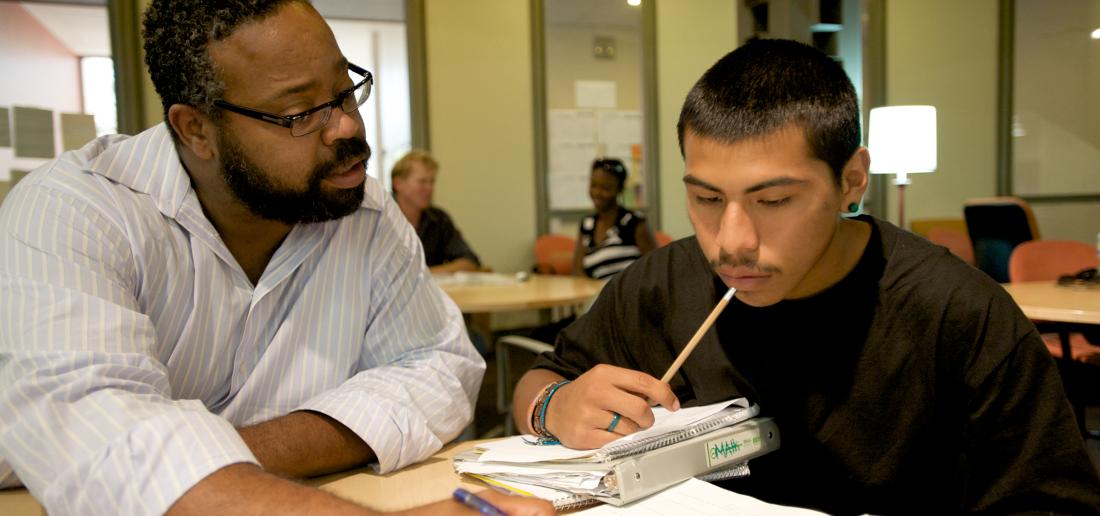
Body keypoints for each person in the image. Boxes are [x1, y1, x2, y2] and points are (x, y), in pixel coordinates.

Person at [0, 1, 550, 515]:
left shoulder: (364, 211)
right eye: (298, 113)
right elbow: (104, 449)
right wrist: (187, 460)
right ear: (196, 130)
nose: (348, 127)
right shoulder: (75, 211)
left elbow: (441, 370)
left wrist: (210, 454)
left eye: (345, 90)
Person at [513, 39, 1100, 513]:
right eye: (708, 198)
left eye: (773, 201)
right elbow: (542, 377)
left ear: (851, 179)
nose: (732, 241)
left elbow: (1052, 500)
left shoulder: (957, 312)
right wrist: (553, 407)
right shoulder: (662, 284)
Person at [391, 150, 481, 274]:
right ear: (398, 184)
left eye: (432, 181)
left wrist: (424, 275)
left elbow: (469, 261)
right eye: (422, 182)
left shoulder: (439, 219)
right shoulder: (380, 217)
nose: (430, 188)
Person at [571, 158, 657, 280]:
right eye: (593, 185)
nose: (597, 192)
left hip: (629, 296)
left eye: (605, 188)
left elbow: (656, 268)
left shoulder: (634, 223)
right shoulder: (587, 224)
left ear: (620, 189)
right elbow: (576, 270)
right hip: (596, 296)